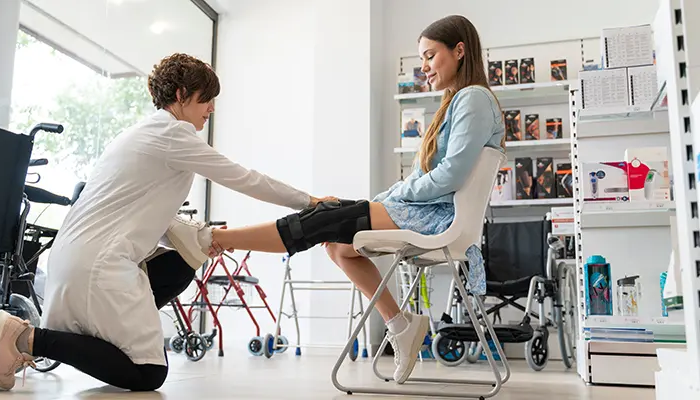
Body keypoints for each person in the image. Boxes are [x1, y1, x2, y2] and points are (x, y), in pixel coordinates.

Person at [172, 15, 505, 385]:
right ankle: (401, 324)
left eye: (430, 56)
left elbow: (450, 176)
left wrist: (388, 200)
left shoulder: (472, 99)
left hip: (436, 219)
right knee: (337, 245)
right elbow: (424, 178)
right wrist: (383, 200)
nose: (424, 67)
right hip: (422, 212)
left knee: (323, 220)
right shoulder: (456, 102)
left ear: (459, 51)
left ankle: (214, 238)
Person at [0, 53, 333, 392]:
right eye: (206, 99)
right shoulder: (173, 135)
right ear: (182, 95)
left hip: (77, 258)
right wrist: (310, 202)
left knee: (183, 263)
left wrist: (203, 237)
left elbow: (148, 215)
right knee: (147, 372)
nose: (211, 108)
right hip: (97, 266)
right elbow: (244, 178)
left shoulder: (140, 135)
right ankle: (26, 337)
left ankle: (44, 339)